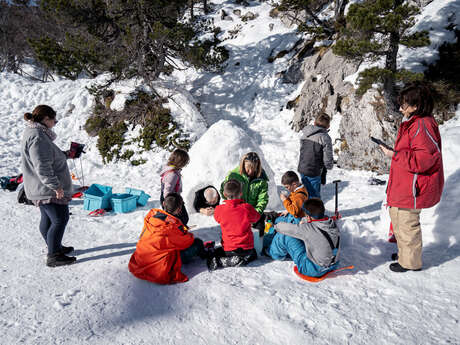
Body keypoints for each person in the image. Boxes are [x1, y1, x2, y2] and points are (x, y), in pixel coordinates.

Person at [379, 83, 444, 272]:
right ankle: (404, 254)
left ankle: (410, 263)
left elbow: (424, 159)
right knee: (398, 219)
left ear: (416, 106)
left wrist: (394, 155)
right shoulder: (415, 122)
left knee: (407, 224)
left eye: (404, 104)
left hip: (412, 186)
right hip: (404, 182)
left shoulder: (422, 125)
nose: (400, 108)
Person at [21, 105, 76, 267]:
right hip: (46, 189)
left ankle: (55, 247)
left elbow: (47, 156)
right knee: (60, 219)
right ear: (46, 119)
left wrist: (66, 155)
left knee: (48, 218)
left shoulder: (35, 133)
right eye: (54, 119)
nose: (55, 122)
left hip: (40, 187)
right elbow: (42, 166)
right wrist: (56, 186)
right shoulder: (38, 136)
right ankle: (53, 255)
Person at [128, 193, 206, 284]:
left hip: (140, 261)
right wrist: (184, 231)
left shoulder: (151, 217)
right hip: (158, 269)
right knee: (197, 243)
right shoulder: (173, 226)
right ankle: (206, 254)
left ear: (164, 204)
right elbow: (187, 241)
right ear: (178, 210)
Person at [267, 198, 340, 277]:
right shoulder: (331, 223)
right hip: (333, 264)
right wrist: (304, 220)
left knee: (284, 236)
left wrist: (275, 226)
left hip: (312, 269)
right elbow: (312, 224)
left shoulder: (309, 229)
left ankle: (273, 253)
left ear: (308, 217)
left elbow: (286, 229)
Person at [207, 179, 260, 271]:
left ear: (224, 193)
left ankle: (222, 260)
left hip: (228, 249)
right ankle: (239, 260)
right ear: (240, 193)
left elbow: (217, 218)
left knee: (218, 250)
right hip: (247, 249)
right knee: (253, 254)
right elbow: (256, 217)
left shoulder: (219, 209)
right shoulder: (247, 208)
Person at [220, 151, 269, 235]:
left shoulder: (261, 180)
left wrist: (254, 215)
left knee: (259, 231)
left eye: (253, 169)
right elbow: (224, 191)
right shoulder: (234, 175)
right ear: (243, 165)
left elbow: (262, 199)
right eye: (248, 168)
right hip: (236, 212)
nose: (250, 172)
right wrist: (232, 207)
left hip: (253, 213)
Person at [298, 112, 333, 199]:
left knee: (305, 192)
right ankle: (314, 212)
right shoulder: (325, 138)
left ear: (314, 123)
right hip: (314, 170)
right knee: (314, 195)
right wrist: (329, 165)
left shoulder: (306, 133)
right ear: (328, 126)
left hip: (302, 167)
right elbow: (327, 157)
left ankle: (305, 210)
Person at [160, 149, 190, 225]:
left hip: (172, 198)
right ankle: (177, 231)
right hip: (171, 201)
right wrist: (173, 204)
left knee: (178, 218)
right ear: (181, 162)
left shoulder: (171, 169)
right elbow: (167, 191)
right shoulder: (172, 175)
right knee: (183, 218)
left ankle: (176, 229)